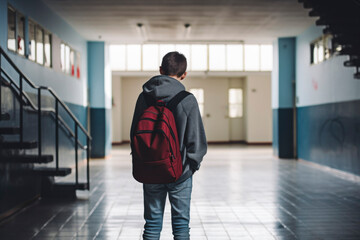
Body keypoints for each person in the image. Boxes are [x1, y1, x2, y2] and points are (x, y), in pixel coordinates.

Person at [130, 51, 207, 240]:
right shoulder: (187, 100)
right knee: (181, 226)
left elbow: (135, 132)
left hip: (150, 169)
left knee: (152, 224)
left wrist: (142, 161)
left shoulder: (144, 97)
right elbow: (196, 140)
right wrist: (191, 166)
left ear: (160, 70)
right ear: (184, 74)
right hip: (179, 172)